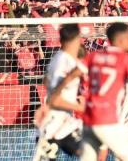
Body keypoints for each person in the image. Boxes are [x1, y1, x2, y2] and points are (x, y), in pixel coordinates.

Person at [50, 23, 128, 161]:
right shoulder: (126, 59)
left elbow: (71, 76)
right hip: (108, 120)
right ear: (120, 40)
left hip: (89, 120)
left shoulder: (94, 56)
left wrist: (54, 95)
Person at [34, 24, 86, 161]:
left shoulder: (61, 58)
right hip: (52, 124)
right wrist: (80, 107)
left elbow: (46, 81)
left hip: (65, 123)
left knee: (90, 152)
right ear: (77, 39)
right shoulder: (64, 62)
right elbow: (55, 100)